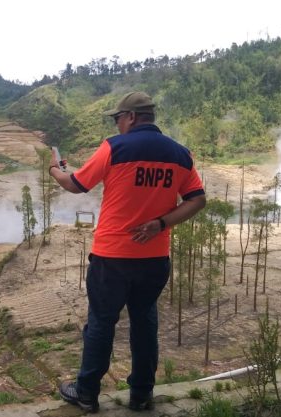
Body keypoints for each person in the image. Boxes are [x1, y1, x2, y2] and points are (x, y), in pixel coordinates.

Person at [49, 92, 206, 413]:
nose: (116, 124)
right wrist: (161, 223)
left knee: (101, 323)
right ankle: (142, 394)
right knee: (145, 323)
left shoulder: (114, 147)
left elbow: (75, 185)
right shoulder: (180, 154)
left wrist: (55, 170)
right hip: (154, 259)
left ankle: (87, 393)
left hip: (112, 258)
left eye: (117, 118)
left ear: (131, 117)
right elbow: (197, 200)